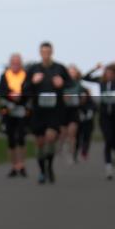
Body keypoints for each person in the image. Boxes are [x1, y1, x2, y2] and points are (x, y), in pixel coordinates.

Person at [23, 42, 72, 184]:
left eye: (48, 52)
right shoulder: (33, 69)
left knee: (50, 138)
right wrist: (33, 82)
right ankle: (42, 171)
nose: (45, 54)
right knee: (39, 143)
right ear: (40, 53)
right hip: (38, 110)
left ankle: (49, 167)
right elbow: (24, 88)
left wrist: (62, 84)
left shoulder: (59, 68)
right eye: (43, 52)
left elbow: (70, 84)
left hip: (54, 110)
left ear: (52, 52)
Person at [84, 61, 115, 180]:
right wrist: (95, 68)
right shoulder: (102, 82)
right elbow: (85, 77)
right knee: (108, 140)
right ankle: (108, 167)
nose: (109, 75)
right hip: (105, 116)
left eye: (111, 73)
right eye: (107, 72)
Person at [0, 53, 30, 177]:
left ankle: (22, 165)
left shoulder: (26, 75)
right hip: (9, 110)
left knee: (21, 138)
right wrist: (11, 96)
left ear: (21, 63)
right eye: (13, 63)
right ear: (10, 64)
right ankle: (13, 165)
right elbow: (1, 91)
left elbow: (29, 91)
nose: (15, 65)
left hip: (22, 110)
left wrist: (21, 98)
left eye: (17, 62)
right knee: (10, 139)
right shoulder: (4, 76)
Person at [60, 66, 89, 165]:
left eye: (73, 72)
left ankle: (71, 155)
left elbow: (83, 97)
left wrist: (81, 99)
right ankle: (63, 148)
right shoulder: (62, 83)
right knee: (63, 133)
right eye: (70, 72)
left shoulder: (78, 85)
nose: (71, 74)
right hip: (63, 111)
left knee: (72, 134)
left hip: (74, 111)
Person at [75, 88, 97, 162]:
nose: (83, 97)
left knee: (86, 139)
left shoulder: (91, 103)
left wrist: (90, 113)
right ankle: (75, 153)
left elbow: (95, 109)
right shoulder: (77, 103)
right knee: (78, 139)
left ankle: (84, 153)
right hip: (79, 124)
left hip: (88, 124)